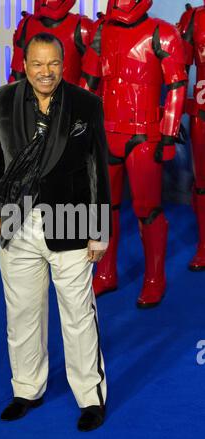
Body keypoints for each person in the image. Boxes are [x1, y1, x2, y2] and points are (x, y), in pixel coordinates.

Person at [0, 33, 111, 432]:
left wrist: (98, 230)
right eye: (37, 64)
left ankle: (90, 397)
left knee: (78, 315)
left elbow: (97, 170)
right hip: (16, 224)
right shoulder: (1, 100)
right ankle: (26, 389)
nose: (46, 72)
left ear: (63, 62)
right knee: (21, 314)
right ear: (24, 63)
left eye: (53, 63)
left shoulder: (86, 104)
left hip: (71, 222)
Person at [80, 0, 187, 308]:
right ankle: (105, 272)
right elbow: (88, 84)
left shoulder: (163, 33)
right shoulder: (102, 31)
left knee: (148, 210)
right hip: (106, 133)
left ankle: (155, 278)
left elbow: (177, 86)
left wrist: (167, 135)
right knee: (104, 206)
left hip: (143, 135)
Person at [177, 2, 205, 271]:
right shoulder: (194, 18)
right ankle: (204, 245)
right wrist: (173, 114)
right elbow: (180, 72)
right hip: (202, 114)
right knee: (202, 182)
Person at [8, 0, 92, 85]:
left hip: (69, 96)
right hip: (32, 95)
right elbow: (17, 75)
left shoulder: (82, 27)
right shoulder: (26, 24)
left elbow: (90, 80)